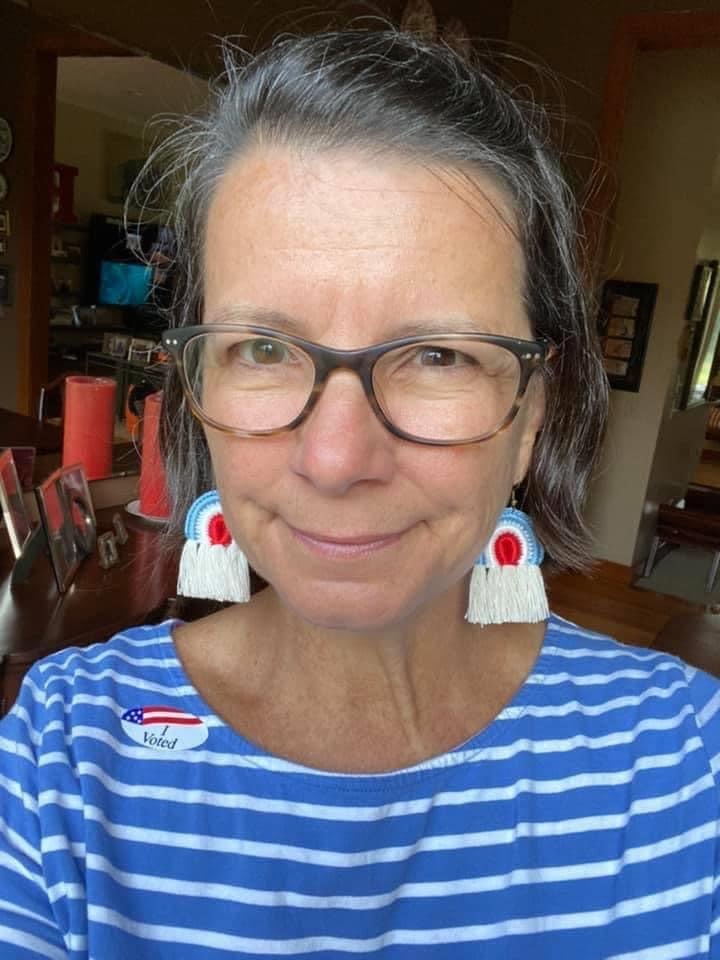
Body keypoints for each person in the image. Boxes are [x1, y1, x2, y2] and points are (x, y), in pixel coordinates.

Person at [1, 28, 718, 960]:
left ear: (531, 413)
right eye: (262, 347)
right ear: (198, 391)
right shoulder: (61, 756)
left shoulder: (680, 759)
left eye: (438, 355)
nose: (337, 460)